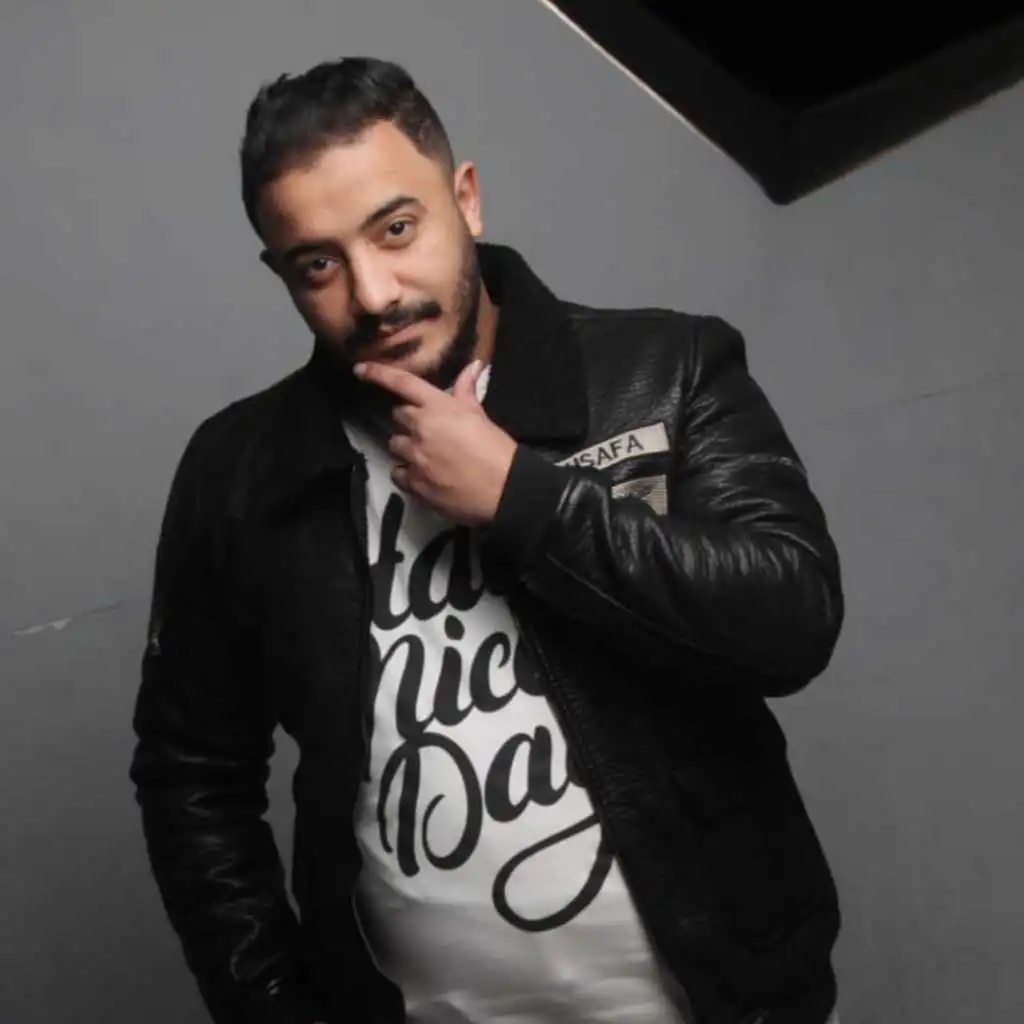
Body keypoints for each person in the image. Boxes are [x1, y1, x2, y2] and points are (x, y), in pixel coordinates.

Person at [129, 57, 845, 1024]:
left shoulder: (665, 369)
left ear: (465, 199)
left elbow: (792, 619)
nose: (374, 294)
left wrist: (522, 498)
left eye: (396, 229)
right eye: (318, 265)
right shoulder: (240, 471)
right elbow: (192, 775)